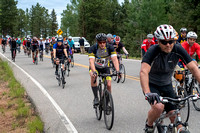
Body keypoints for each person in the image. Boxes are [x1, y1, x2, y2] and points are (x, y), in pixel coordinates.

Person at [140, 24, 200, 133]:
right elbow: (144, 71)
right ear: (158, 41)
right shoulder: (153, 51)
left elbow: (193, 68)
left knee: (174, 114)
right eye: (164, 42)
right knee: (158, 107)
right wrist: (147, 92)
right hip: (152, 85)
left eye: (171, 41)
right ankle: (149, 125)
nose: (168, 45)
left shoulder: (178, 48)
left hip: (167, 84)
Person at [88, 33, 120, 106]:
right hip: (95, 67)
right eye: (100, 42)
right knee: (93, 76)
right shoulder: (93, 48)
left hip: (105, 67)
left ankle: (107, 102)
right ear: (97, 42)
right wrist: (94, 71)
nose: (102, 44)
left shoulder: (110, 47)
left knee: (109, 84)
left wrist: (117, 71)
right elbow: (91, 61)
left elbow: (115, 59)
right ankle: (96, 97)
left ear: (106, 41)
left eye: (104, 42)